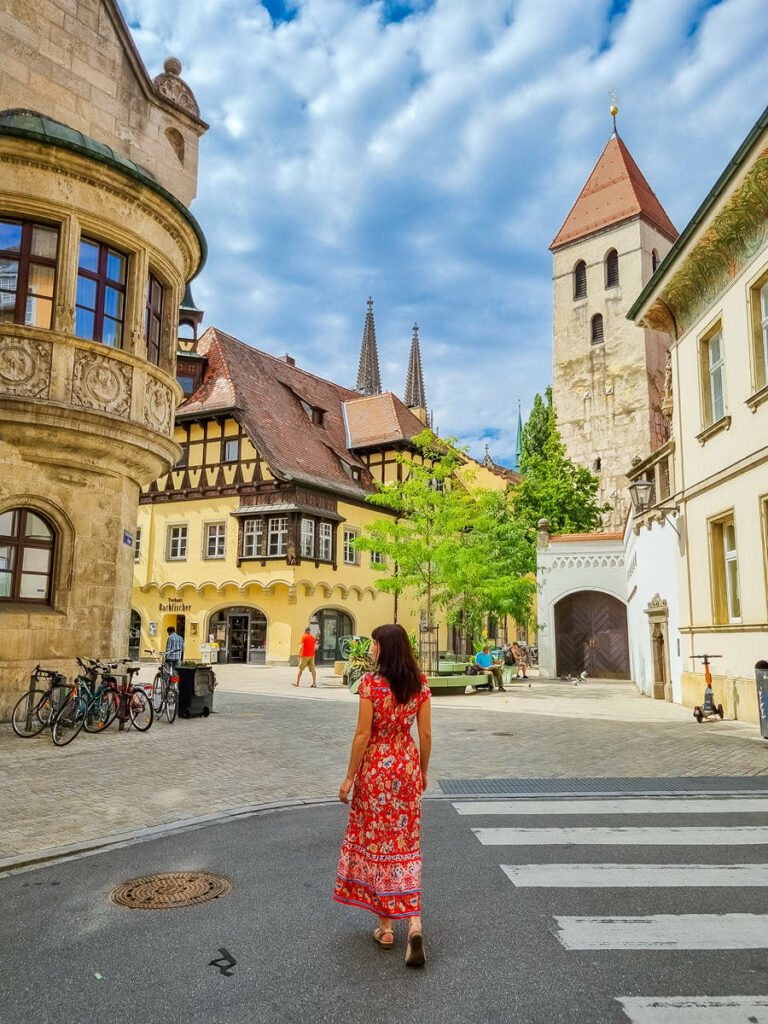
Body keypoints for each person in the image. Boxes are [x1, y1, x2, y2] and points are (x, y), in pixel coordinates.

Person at [335, 623, 431, 968]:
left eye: (374, 644)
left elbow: (363, 733)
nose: (371, 649)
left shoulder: (371, 684)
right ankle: (415, 923)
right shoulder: (418, 685)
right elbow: (426, 733)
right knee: (405, 845)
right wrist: (421, 771)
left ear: (385, 648)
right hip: (405, 767)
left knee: (379, 845)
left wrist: (349, 778)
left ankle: (386, 928)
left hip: (376, 769)